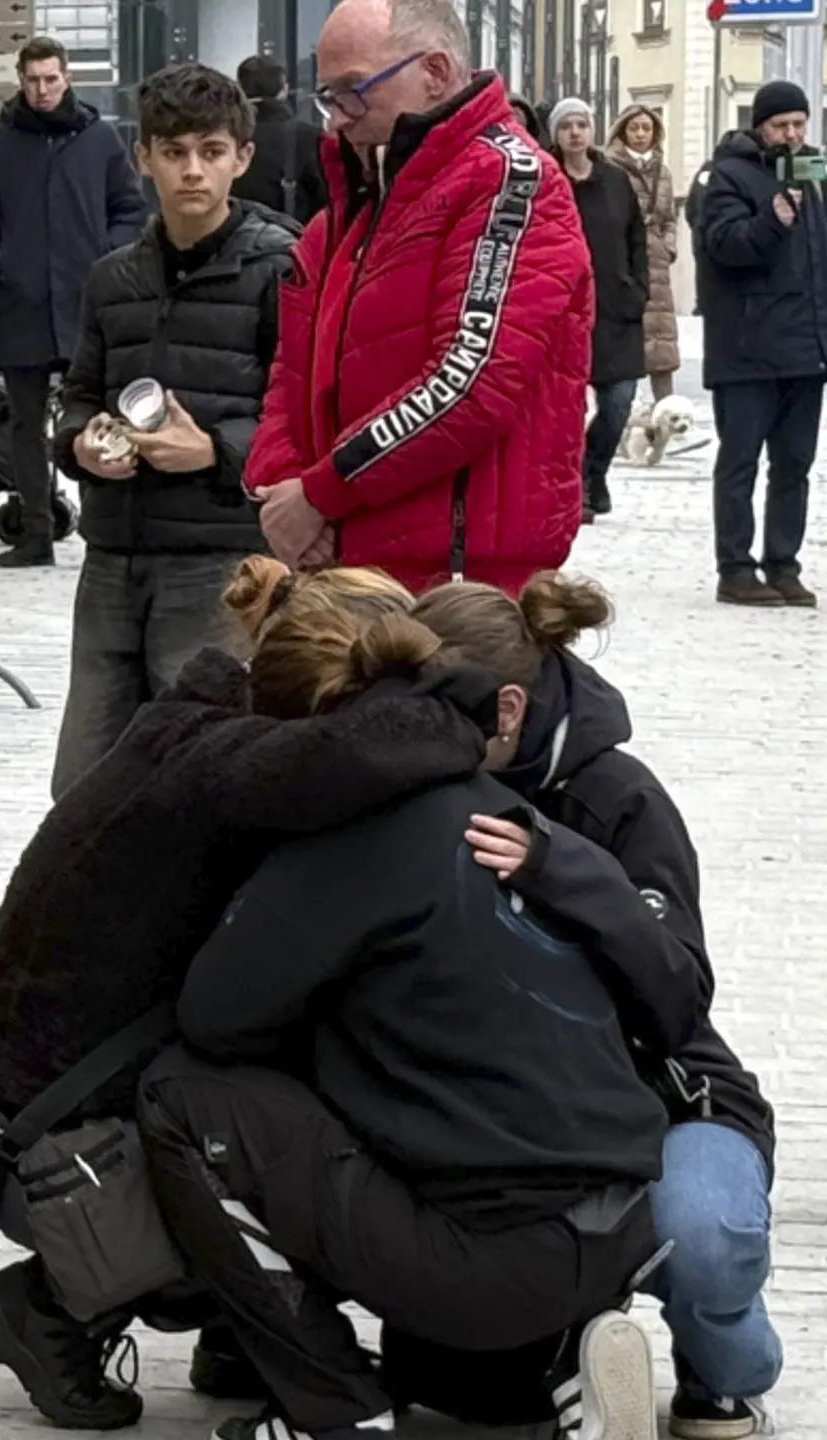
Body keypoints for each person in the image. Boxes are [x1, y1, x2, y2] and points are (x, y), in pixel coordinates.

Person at [0, 559, 494, 1430]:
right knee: (289, 1131)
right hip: (47, 1152)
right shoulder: (227, 759)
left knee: (272, 1074)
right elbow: (375, 749)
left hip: (27, 1109)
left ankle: (236, 1331)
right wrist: (460, 698)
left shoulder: (205, 727)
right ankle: (49, 1310)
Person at [139, 599, 671, 1440]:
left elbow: (216, 1020)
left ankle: (340, 1415)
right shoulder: (502, 809)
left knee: (181, 1094)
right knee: (458, 1376)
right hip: (626, 1216)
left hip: (488, 1257)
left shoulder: (346, 833)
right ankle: (558, 1381)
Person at [401, 576, 778, 1439]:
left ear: (504, 710)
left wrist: (560, 868)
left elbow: (678, 997)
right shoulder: (422, 787)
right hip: (510, 1109)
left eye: (433, 711)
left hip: (664, 1093)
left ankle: (726, 1370)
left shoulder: (620, 799)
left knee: (703, 1228)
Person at [242, 0, 592, 593]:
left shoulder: (508, 183)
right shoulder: (345, 216)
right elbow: (291, 372)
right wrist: (284, 488)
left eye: (354, 90)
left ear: (433, 72)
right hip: (347, 562)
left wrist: (320, 492)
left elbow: (469, 379)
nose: (336, 119)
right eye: (328, 95)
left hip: (460, 581)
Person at [47, 63, 298, 799]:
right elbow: (79, 393)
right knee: (84, 785)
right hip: (113, 553)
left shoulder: (279, 270)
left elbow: (301, 417)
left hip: (217, 558)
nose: (193, 170)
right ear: (144, 157)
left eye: (211, 151)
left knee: (203, 774)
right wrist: (81, 444)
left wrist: (215, 450)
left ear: (241, 158)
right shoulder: (112, 278)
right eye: (175, 151)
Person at [0, 35, 149, 568]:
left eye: (51, 79)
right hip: (23, 301)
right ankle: (35, 532)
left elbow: (130, 208)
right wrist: (3, 260)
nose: (42, 89)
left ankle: (101, 529)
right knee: (24, 421)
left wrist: (108, 256)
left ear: (67, 79)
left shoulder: (100, 140)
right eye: (33, 79)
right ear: (21, 80)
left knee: (98, 417)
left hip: (88, 300)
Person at [690, 79, 820, 608]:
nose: (792, 135)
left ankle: (784, 565)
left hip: (806, 348)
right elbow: (725, 246)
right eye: (781, 126)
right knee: (741, 460)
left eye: (799, 124)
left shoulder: (814, 174)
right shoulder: (726, 176)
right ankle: (736, 568)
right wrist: (774, 218)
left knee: (794, 464)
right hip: (747, 348)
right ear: (760, 127)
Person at [551, 98, 650, 522]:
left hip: (616, 307)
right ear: (555, 134)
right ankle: (578, 491)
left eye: (582, 124)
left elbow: (637, 239)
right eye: (567, 126)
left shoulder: (615, 180)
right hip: (565, 311)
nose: (576, 132)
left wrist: (638, 290)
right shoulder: (547, 179)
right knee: (567, 411)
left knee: (618, 403)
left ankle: (593, 473)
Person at [609, 105, 685, 405]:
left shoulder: (662, 171)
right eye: (634, 128)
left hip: (657, 260)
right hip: (624, 257)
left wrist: (668, 246)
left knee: (662, 336)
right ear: (623, 130)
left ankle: (666, 408)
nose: (640, 134)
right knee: (626, 333)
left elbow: (669, 218)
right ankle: (623, 410)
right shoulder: (611, 166)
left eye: (647, 128)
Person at [231, 54, 329, 222]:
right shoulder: (310, 137)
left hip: (229, 243)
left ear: (239, 89)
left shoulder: (225, 136)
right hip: (294, 241)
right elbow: (327, 203)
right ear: (283, 90)